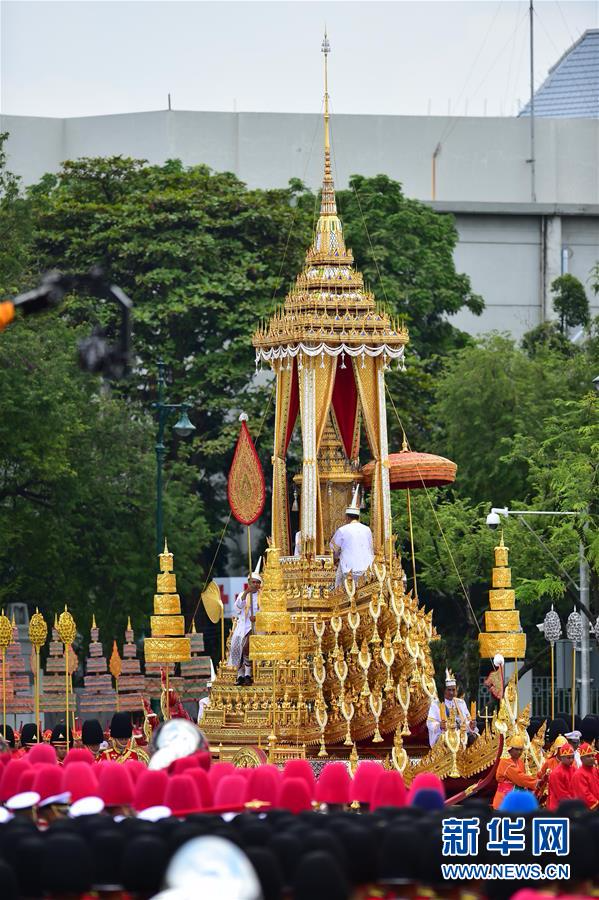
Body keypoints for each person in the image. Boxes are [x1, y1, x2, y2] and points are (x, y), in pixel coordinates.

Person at [330, 487, 374, 589]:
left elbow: (333, 549)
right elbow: (371, 549)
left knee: (346, 594)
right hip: (367, 569)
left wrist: (336, 557)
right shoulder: (367, 529)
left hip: (349, 570)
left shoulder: (343, 530)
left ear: (347, 517)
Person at [228, 559, 262, 687]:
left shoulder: (262, 596)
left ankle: (248, 674)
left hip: (256, 627)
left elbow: (265, 611)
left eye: (257, 583)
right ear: (249, 583)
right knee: (236, 648)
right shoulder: (243, 594)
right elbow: (237, 608)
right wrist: (246, 593)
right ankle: (240, 675)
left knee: (247, 646)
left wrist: (257, 617)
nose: (255, 585)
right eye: (253, 582)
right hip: (242, 626)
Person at [427, 669, 478, 747]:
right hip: (445, 735)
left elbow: (466, 723)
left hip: (461, 735)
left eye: (453, 690)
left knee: (475, 737)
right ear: (444, 690)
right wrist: (439, 725)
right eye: (449, 690)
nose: (451, 692)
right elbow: (430, 723)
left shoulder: (461, 703)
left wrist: (471, 725)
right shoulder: (436, 704)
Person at [491, 734, 537, 809]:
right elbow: (519, 778)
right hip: (504, 800)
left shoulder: (520, 762)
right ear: (510, 749)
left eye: (521, 749)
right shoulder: (505, 761)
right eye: (516, 749)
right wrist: (535, 782)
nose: (519, 752)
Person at [547, 742, 575, 810]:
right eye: (568, 758)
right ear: (562, 757)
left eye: (572, 757)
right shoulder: (556, 773)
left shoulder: (574, 769)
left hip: (571, 804)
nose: (571, 760)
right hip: (558, 808)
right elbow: (561, 794)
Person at [571, 741, 599, 809]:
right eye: (588, 756)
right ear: (581, 759)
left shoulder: (595, 770)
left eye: (592, 755)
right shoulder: (579, 774)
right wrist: (597, 804)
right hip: (587, 811)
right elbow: (584, 795)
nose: (592, 758)